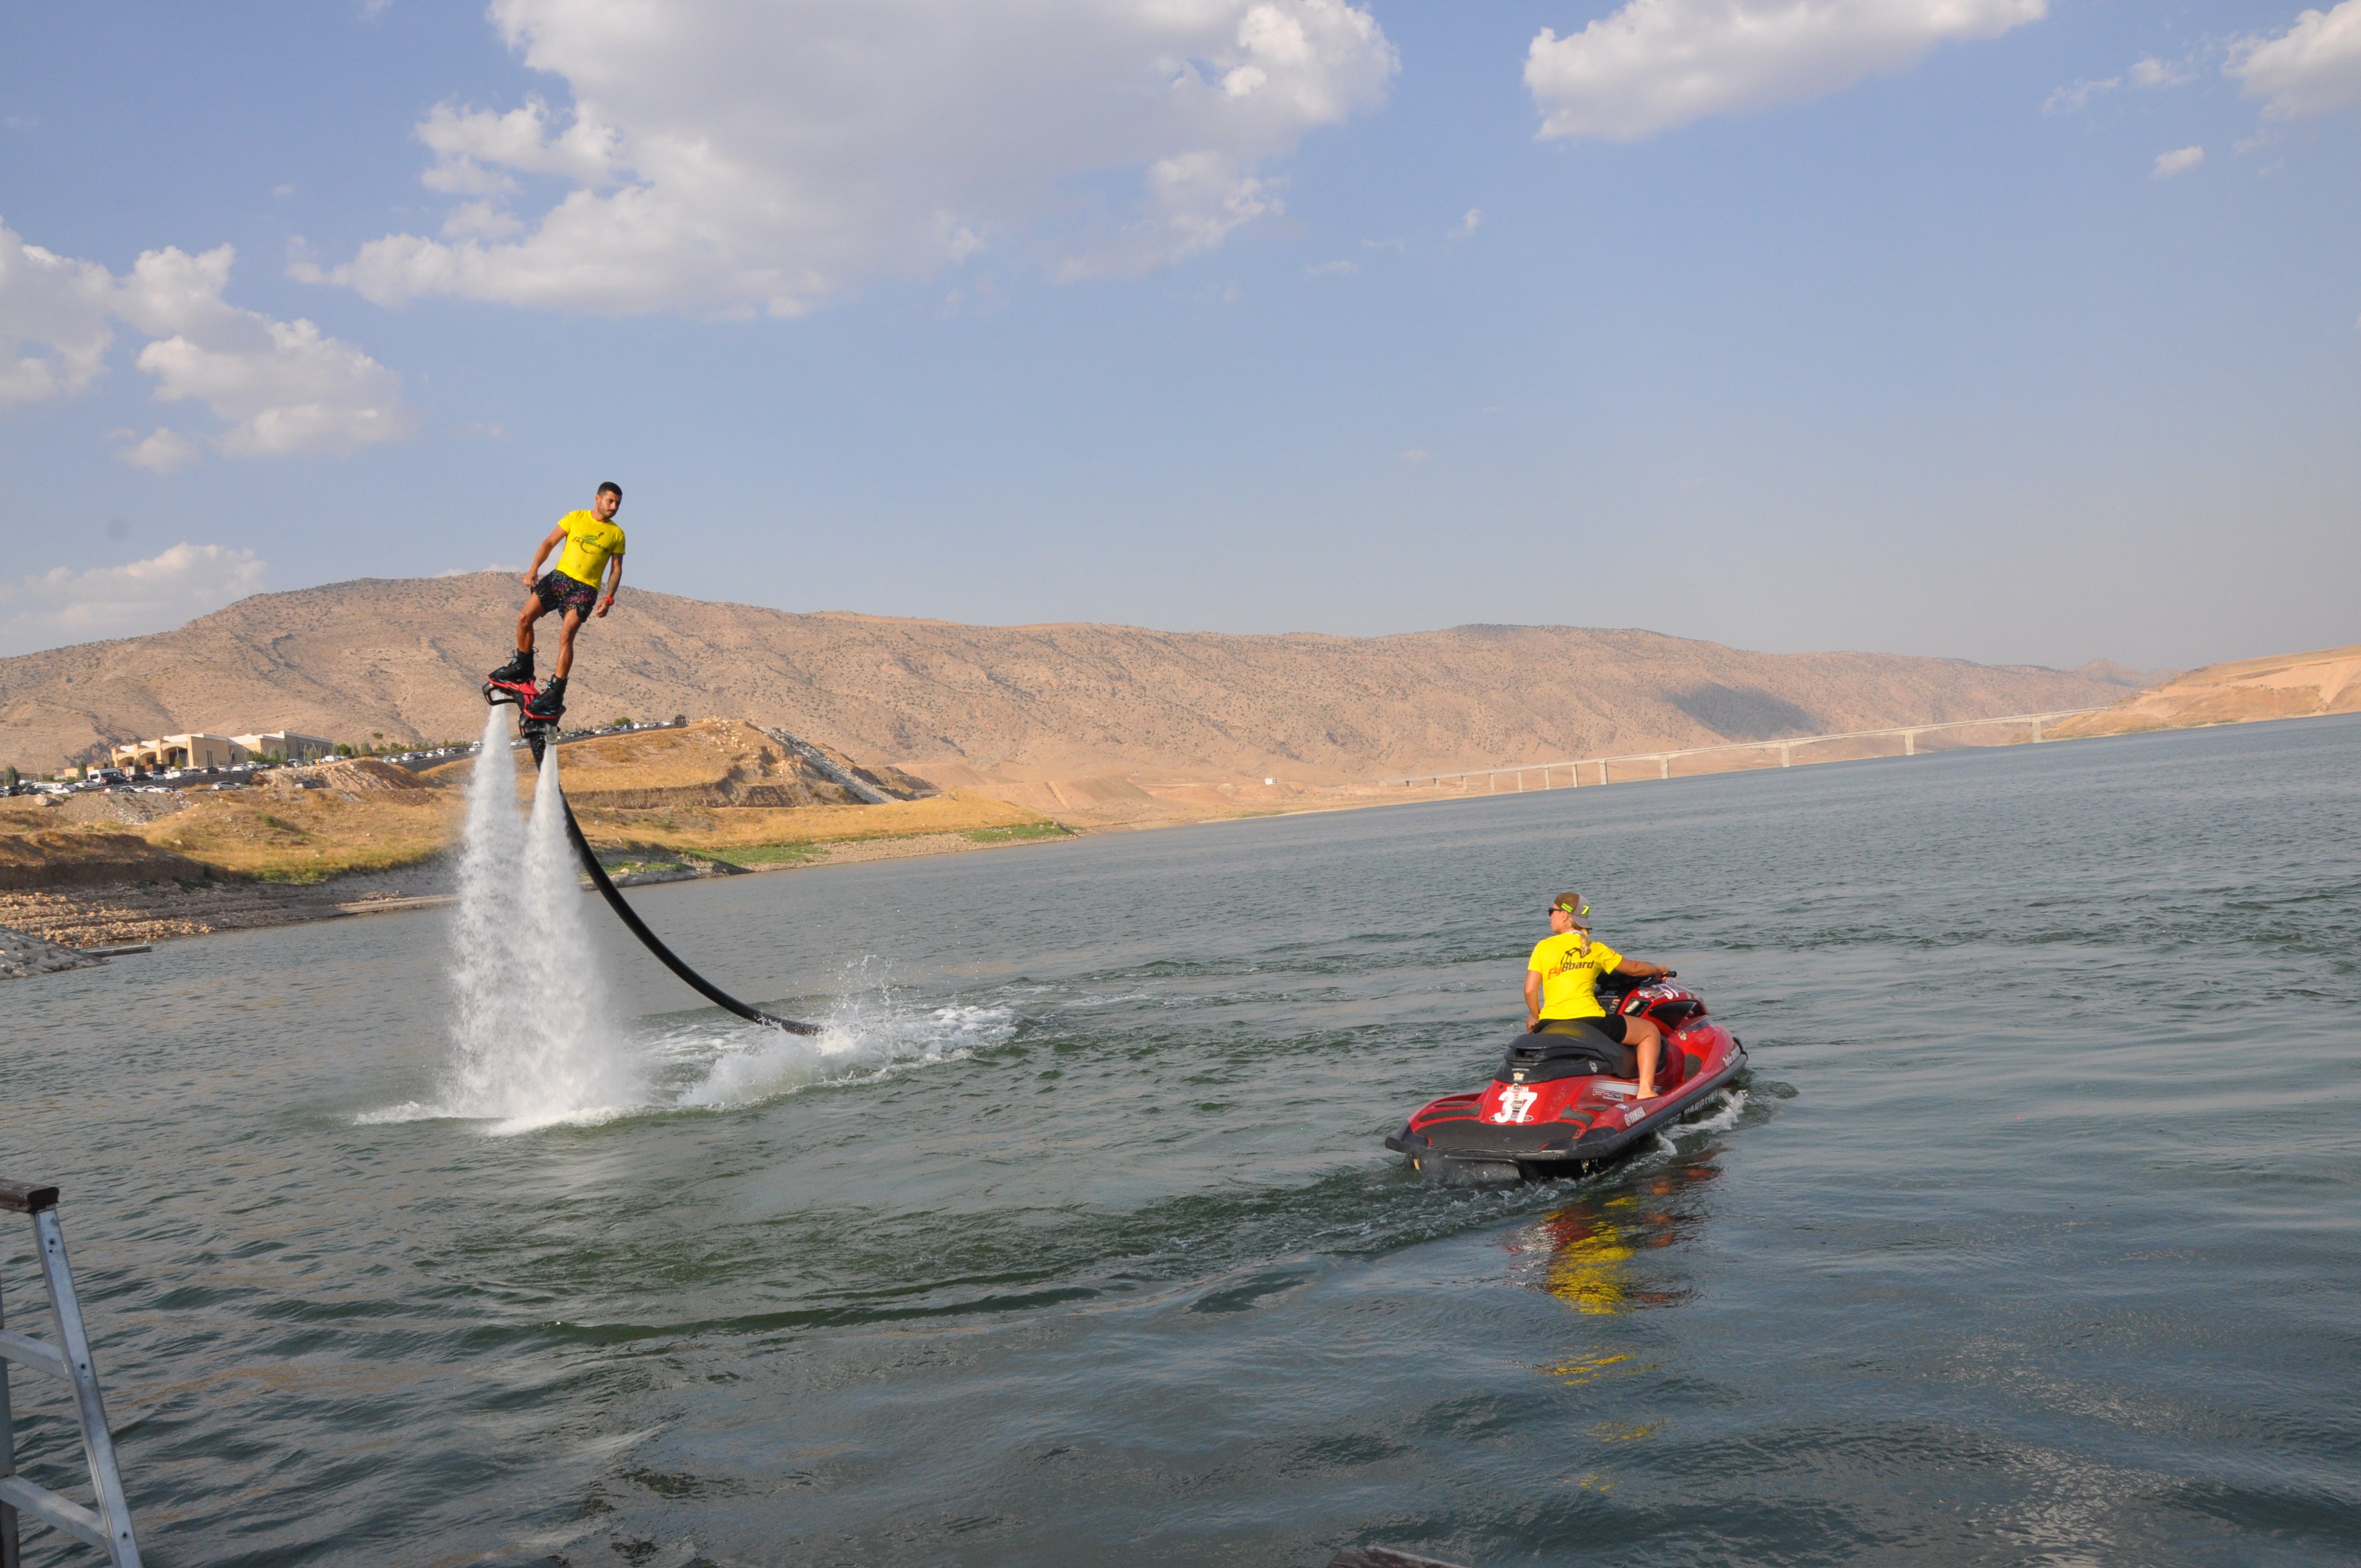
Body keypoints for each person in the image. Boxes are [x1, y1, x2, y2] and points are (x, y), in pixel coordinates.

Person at [487, 483, 627, 721]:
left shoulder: (617, 534)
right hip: (559, 578)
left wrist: (608, 598)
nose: (614, 507)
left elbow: (616, 570)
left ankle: (555, 691)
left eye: (618, 504)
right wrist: (533, 570)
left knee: (566, 635)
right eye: (610, 501)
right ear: (598, 499)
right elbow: (549, 544)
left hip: (585, 589)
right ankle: (522, 666)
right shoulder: (575, 517)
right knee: (524, 618)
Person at [1524, 891, 1677, 1099]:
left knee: (1532, 1022)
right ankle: (1646, 1090)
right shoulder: (1595, 949)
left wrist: (1537, 1017)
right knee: (1649, 1031)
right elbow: (1633, 969)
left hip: (1551, 1023)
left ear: (1565, 916)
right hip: (1590, 1021)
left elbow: (1530, 990)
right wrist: (1659, 969)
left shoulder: (1543, 947)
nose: (1549, 916)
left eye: (1552, 911)